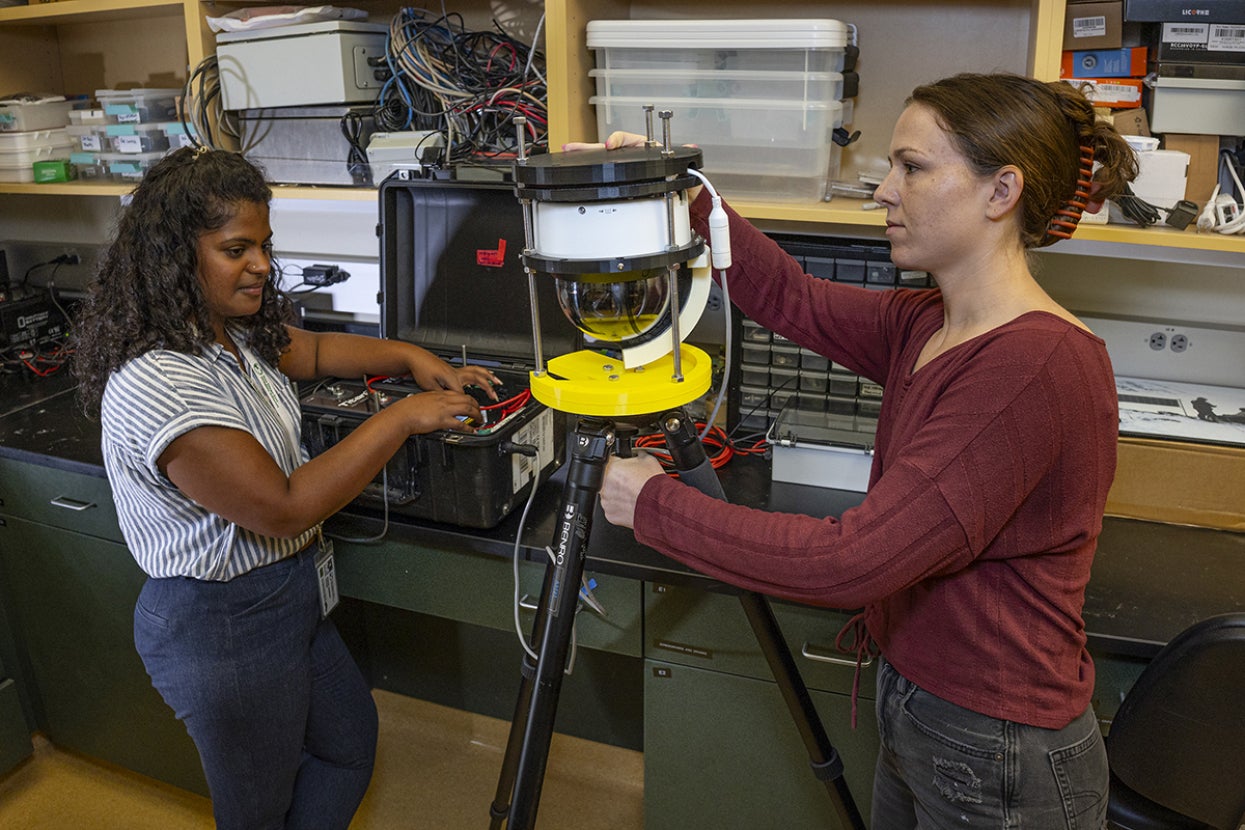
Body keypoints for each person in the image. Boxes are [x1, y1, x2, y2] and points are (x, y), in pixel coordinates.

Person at [587, 73, 1138, 828]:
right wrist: (681, 192)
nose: (883, 190)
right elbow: (792, 298)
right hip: (921, 703)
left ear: (999, 191)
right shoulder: (929, 323)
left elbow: (853, 562)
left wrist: (652, 504)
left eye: (911, 167)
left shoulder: (1033, 366)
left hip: (995, 740)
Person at [72, 146, 499, 830]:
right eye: (236, 249)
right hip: (220, 622)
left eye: (265, 246)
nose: (263, 266)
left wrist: (413, 357)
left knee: (347, 746)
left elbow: (314, 352)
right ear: (175, 257)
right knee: (257, 811)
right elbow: (282, 506)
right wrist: (399, 418)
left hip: (284, 594)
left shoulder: (222, 330)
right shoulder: (159, 379)